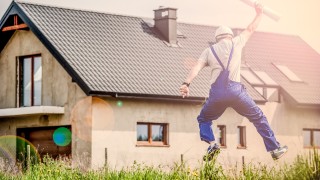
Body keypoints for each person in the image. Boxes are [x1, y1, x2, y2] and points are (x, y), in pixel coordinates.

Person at [179, 3, 288, 160]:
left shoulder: (209, 51)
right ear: (229, 36)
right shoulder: (236, 42)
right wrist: (259, 14)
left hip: (217, 95)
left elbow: (196, 68)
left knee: (204, 119)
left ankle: (212, 144)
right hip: (237, 93)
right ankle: (275, 149)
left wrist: (186, 83)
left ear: (216, 39)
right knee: (258, 118)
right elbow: (251, 28)